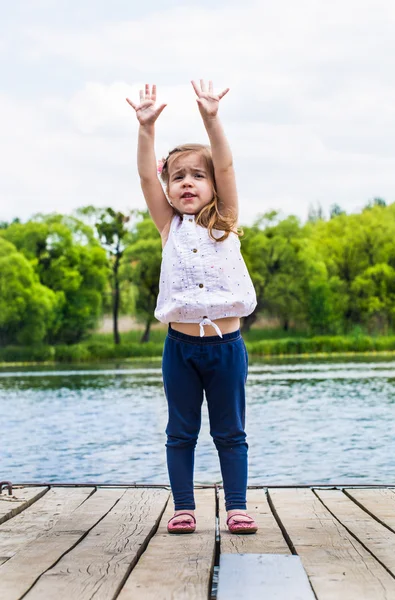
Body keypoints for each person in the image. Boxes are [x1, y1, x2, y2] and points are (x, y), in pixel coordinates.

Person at [126, 80, 258, 534]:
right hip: (180, 349)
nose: (187, 183)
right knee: (180, 431)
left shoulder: (226, 221)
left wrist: (211, 119)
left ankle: (237, 506)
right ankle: (184, 506)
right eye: (178, 176)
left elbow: (226, 163)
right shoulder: (169, 227)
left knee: (230, 432)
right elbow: (146, 177)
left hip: (226, 347)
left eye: (197, 176)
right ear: (169, 186)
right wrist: (146, 130)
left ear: (213, 186)